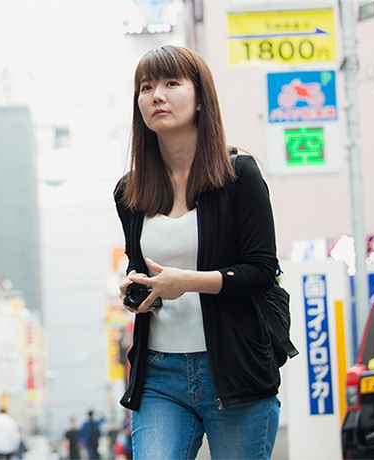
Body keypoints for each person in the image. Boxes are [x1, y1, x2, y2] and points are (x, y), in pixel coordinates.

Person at [113, 45, 282, 459]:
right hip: (160, 376)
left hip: (234, 369)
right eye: (146, 87)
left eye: (172, 83)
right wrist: (140, 291)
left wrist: (185, 282)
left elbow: (262, 270)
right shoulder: (129, 192)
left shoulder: (239, 176)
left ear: (201, 97)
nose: (157, 95)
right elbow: (144, 268)